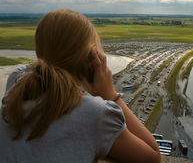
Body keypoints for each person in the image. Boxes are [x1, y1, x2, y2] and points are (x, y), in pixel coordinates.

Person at [0, 9, 160, 163]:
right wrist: (110, 94)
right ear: (92, 59)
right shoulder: (95, 114)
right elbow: (153, 157)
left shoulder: (17, 80)